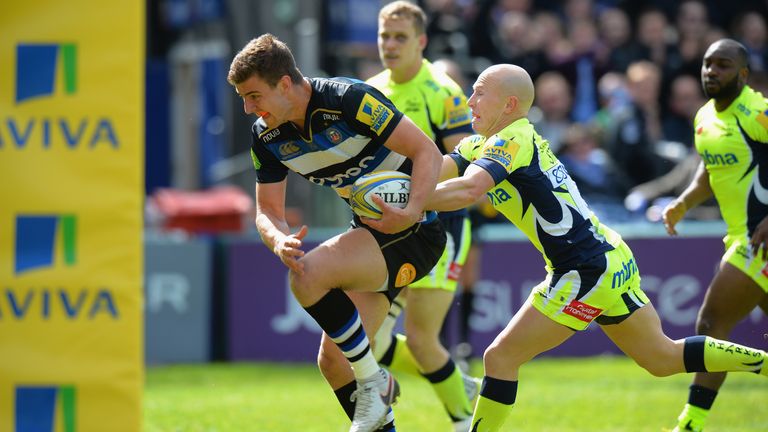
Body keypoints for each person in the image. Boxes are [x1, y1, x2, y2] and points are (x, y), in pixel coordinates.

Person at [419, 63, 768, 432]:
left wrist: (410, 205)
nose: (469, 100)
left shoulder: (511, 140)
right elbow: (438, 170)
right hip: (607, 255)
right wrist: (387, 182)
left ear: (508, 105)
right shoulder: (482, 143)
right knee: (662, 358)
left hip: (583, 268)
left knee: (500, 357)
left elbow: (469, 190)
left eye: (479, 92)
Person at [227, 33, 447, 432]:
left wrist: (412, 210)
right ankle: (373, 390)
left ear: (286, 84)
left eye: (254, 96)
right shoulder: (267, 135)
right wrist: (279, 240)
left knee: (308, 276)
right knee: (332, 362)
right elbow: (268, 211)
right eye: (243, 98)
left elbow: (426, 151)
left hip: (415, 230)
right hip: (372, 235)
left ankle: (373, 381)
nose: (248, 108)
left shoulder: (349, 100)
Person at [364, 3, 478, 430]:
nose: (390, 46)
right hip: (384, 225)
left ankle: (464, 421)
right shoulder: (369, 90)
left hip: (439, 224)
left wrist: (416, 191)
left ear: (421, 42)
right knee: (366, 343)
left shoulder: (443, 92)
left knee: (423, 340)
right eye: (384, 37)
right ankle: (453, 380)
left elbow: (465, 158)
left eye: (400, 38)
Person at [661, 38, 768, 432]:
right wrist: (683, 204)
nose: (712, 72)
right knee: (712, 326)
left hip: (756, 241)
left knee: (710, 324)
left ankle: (690, 424)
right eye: (708, 64)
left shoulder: (757, 112)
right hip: (742, 237)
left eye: (723, 65)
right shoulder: (705, 117)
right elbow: (710, 170)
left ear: (743, 74)